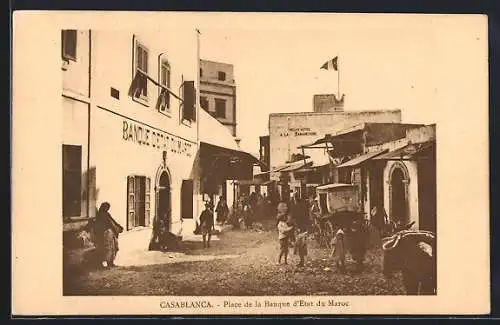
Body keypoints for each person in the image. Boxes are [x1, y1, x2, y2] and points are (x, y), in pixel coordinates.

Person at [94, 202, 123, 268]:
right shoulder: (100, 215)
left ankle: (110, 263)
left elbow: (113, 221)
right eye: (106, 207)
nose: (107, 209)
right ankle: (102, 264)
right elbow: (109, 223)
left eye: (108, 208)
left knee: (112, 248)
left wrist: (118, 226)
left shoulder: (106, 214)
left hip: (109, 233)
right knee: (106, 249)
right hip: (103, 234)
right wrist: (116, 228)